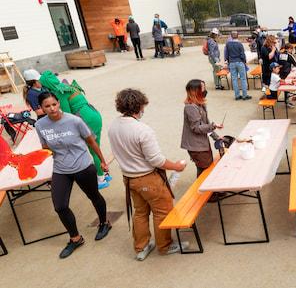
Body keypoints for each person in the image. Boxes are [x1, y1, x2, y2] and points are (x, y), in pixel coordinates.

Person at [107, 88, 187, 260]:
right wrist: (176, 166)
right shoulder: (143, 130)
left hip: (128, 178)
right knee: (162, 211)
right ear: (140, 106)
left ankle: (141, 247)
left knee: (140, 212)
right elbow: (156, 160)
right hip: (148, 178)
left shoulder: (113, 125)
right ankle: (165, 245)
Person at [36, 92, 111, 259]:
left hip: (83, 165)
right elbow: (45, 148)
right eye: (47, 106)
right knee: (60, 206)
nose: (52, 108)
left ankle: (105, 222)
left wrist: (102, 161)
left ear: (58, 103)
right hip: (61, 169)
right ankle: (75, 238)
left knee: (93, 196)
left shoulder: (74, 121)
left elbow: (91, 141)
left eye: (54, 104)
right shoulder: (40, 125)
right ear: (41, 108)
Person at [39, 71, 109, 189]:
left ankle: (100, 178)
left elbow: (66, 114)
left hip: (85, 118)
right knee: (96, 147)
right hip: (93, 114)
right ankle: (105, 173)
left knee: (92, 149)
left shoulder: (59, 92)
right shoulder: (67, 86)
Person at [181, 79, 222, 177]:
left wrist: (216, 137)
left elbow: (205, 123)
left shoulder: (200, 104)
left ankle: (205, 189)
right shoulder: (190, 107)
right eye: (203, 88)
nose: (205, 90)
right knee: (205, 170)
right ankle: (203, 190)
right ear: (195, 91)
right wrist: (213, 125)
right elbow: (196, 128)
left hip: (201, 144)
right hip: (196, 146)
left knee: (205, 167)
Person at [224, 31, 251, 101]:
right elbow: (242, 54)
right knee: (243, 79)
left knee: (234, 79)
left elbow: (226, 54)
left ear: (231, 36)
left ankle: (237, 95)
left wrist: (227, 61)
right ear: (238, 36)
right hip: (239, 61)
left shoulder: (228, 44)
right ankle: (244, 95)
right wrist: (244, 61)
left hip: (232, 62)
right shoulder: (239, 44)